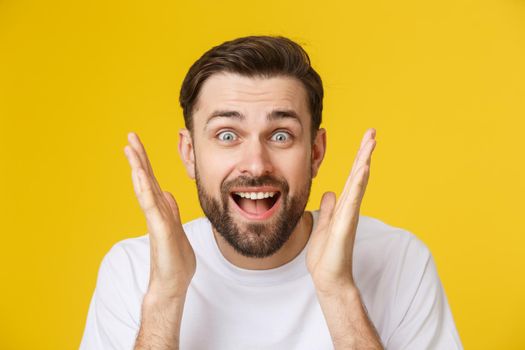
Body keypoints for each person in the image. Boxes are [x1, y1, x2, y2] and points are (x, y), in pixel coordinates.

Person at [80, 36, 463, 350]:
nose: (256, 163)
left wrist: (338, 292)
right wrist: (165, 297)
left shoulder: (400, 261)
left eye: (281, 136)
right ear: (190, 153)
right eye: (227, 135)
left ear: (315, 152)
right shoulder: (132, 271)